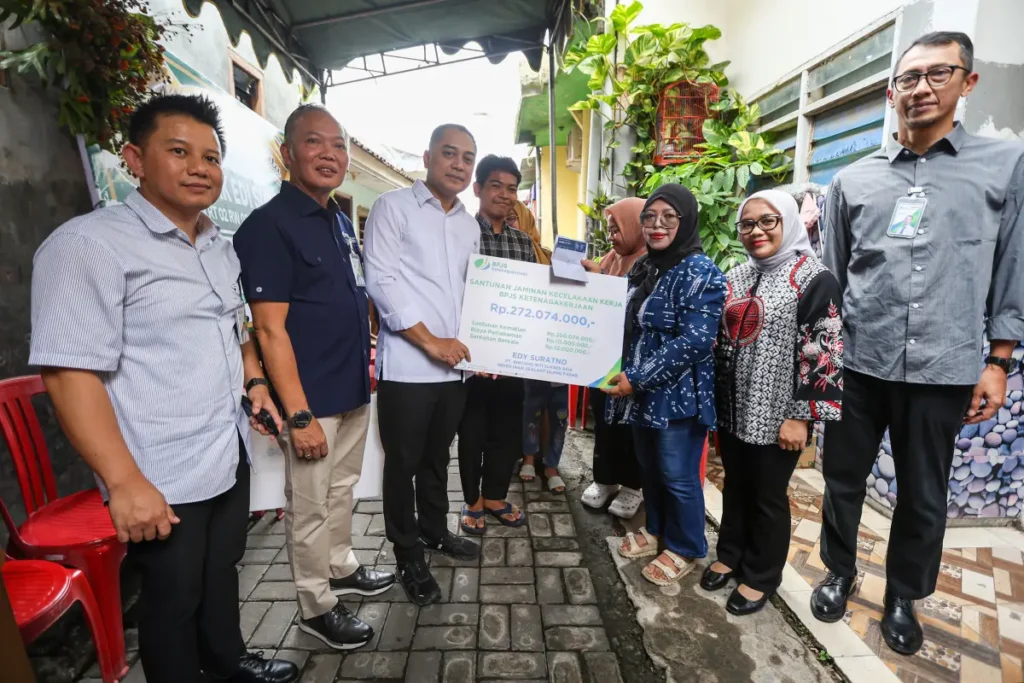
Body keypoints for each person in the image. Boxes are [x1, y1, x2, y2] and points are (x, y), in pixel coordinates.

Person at [28, 94, 298, 683]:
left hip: (225, 450)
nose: (200, 167)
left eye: (211, 155)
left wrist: (254, 381)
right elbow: (69, 373)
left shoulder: (219, 248)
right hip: (160, 469)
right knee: (172, 601)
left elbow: (238, 331)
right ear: (134, 158)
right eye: (179, 151)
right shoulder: (88, 246)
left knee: (223, 569)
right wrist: (124, 482)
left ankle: (228, 662)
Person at [817, 31, 1024, 656]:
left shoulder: (1003, 166)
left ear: (968, 82)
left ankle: (904, 594)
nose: (922, 88)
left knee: (924, 490)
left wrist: (997, 362)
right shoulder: (853, 180)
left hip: (946, 365)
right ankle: (839, 569)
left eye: (939, 73)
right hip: (860, 362)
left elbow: (1013, 267)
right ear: (890, 92)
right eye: (909, 78)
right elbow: (834, 274)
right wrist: (826, 361)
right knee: (843, 478)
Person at [232, 104, 393, 650]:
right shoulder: (268, 227)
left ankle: (343, 566)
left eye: (338, 146)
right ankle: (315, 605)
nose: (329, 155)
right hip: (311, 400)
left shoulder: (339, 220)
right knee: (308, 506)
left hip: (351, 388)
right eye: (314, 143)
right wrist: (298, 415)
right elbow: (270, 331)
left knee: (343, 490)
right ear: (287, 153)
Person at [707, 190, 843, 616]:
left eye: (767, 221)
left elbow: (824, 354)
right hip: (733, 408)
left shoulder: (814, 278)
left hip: (778, 414)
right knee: (735, 484)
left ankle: (761, 576)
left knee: (767, 495)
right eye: (746, 224)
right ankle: (730, 553)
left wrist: (800, 417)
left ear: (787, 223)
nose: (756, 232)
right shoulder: (737, 275)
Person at [363, 123, 482, 605]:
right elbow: (381, 280)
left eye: (468, 158)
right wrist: (430, 342)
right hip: (410, 369)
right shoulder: (393, 208)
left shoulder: (469, 224)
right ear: (428, 156)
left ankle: (435, 531)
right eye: (450, 153)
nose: (459, 164)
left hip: (455, 371)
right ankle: (407, 552)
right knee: (403, 464)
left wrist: (485, 347)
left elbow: (476, 294)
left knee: (438, 458)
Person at [603, 184, 727, 586]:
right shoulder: (648, 267)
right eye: (650, 217)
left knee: (678, 474)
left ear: (686, 220)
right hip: (641, 394)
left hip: (678, 397)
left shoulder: (700, 272)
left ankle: (687, 546)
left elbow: (695, 341)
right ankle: (657, 531)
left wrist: (637, 378)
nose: (657, 225)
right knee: (651, 468)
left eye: (668, 217)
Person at [456, 155, 536, 535]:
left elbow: (536, 295)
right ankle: (472, 500)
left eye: (512, 188)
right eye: (496, 186)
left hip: (513, 355)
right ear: (478, 188)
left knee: (506, 431)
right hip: (471, 358)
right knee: (472, 431)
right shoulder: (461, 234)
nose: (505, 195)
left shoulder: (523, 242)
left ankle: (495, 497)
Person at [581, 197, 647, 518]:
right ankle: (605, 479)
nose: (611, 237)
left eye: (616, 229)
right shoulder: (609, 259)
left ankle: (634, 485)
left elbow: (636, 306)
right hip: (603, 355)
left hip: (635, 361)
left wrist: (603, 282)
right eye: (609, 230)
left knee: (630, 424)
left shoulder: (653, 262)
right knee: (604, 421)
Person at [511, 199, 551, 265]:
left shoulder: (549, 258)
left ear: (526, 221)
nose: (504, 224)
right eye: (499, 219)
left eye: (510, 218)